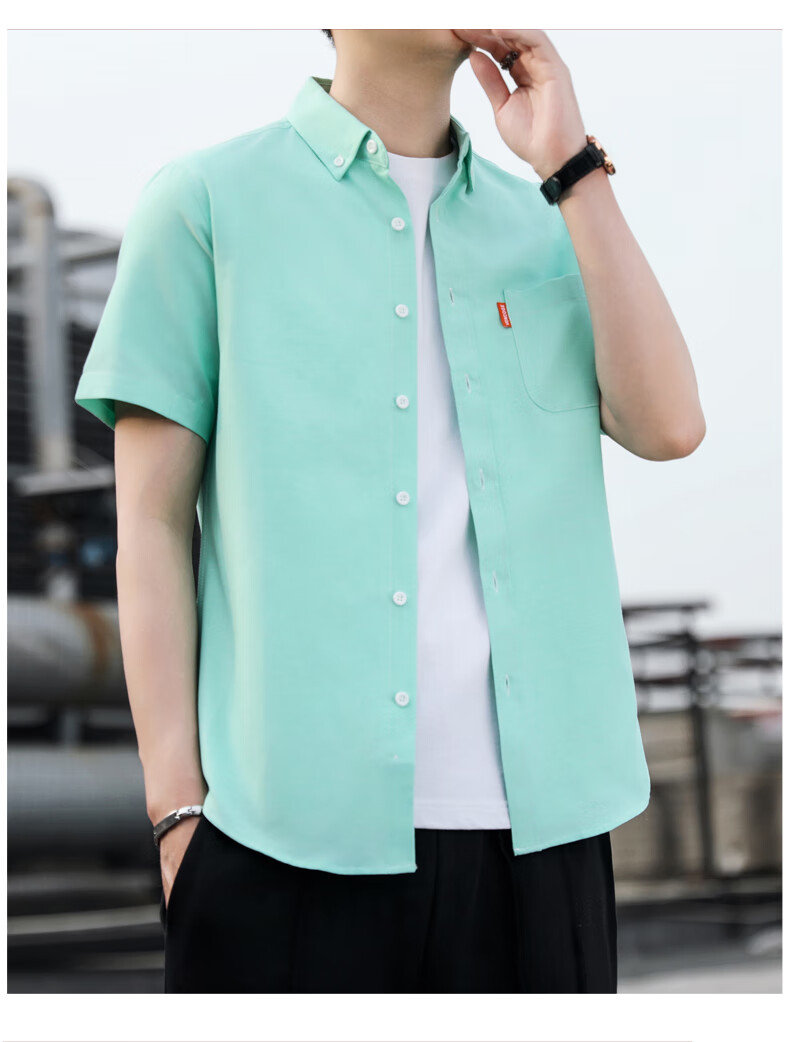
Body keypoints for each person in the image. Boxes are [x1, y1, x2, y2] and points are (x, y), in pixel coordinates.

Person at [74, 29, 705, 994]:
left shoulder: (547, 220)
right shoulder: (205, 204)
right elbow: (152, 527)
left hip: (544, 843)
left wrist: (573, 167)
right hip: (280, 839)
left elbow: (669, 426)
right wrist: (176, 815)